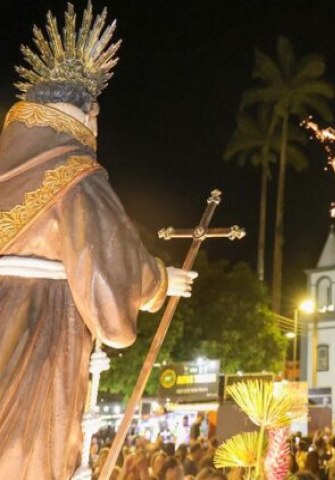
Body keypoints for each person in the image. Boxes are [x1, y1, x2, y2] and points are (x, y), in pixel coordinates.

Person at [0, 3, 197, 479]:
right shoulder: (74, 175)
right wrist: (158, 281)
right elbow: (108, 278)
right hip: (38, 335)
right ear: (91, 113)